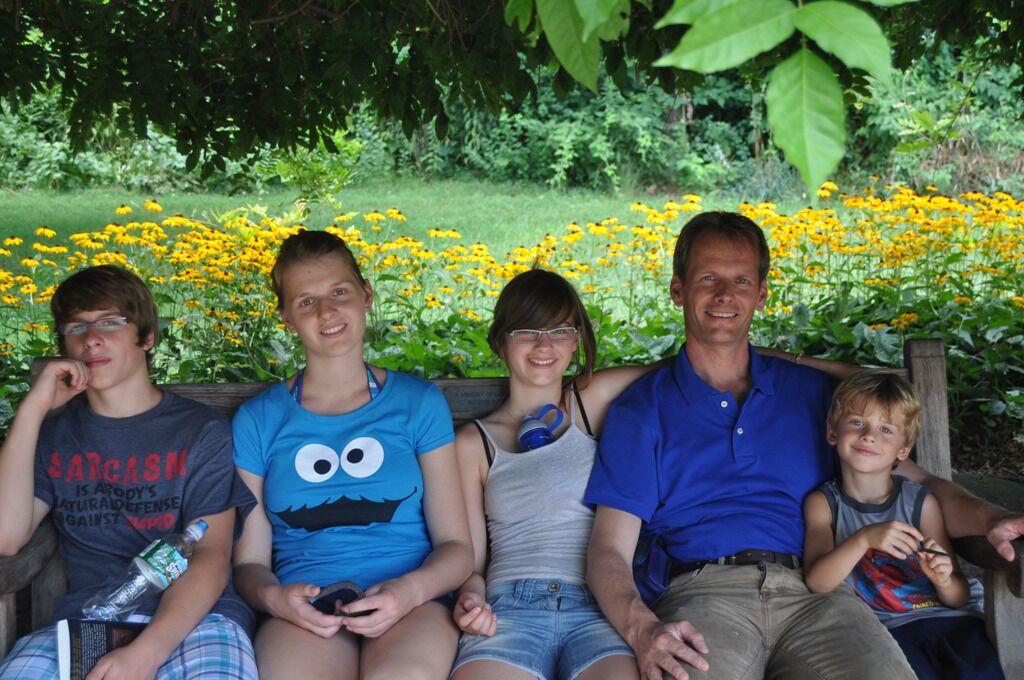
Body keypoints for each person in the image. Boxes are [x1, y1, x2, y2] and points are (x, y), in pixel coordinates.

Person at [584, 211, 1024, 680]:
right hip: (703, 596)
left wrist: (990, 519)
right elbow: (609, 549)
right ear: (678, 289)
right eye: (708, 277)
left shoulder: (812, 394)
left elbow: (917, 483)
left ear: (761, 294)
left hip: (819, 592)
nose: (725, 294)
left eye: (741, 280)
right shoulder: (643, 409)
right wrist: (642, 628)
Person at [449, 268, 845, 680]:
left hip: (600, 607)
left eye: (560, 331)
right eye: (526, 332)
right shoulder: (474, 443)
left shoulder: (590, 403)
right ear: (500, 339)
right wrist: (471, 599)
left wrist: (794, 360)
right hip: (510, 607)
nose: (544, 345)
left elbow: (711, 358)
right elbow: (471, 562)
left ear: (577, 340)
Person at [231, 230, 472, 680]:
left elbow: (457, 548)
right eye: (306, 301)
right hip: (306, 609)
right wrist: (276, 599)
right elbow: (249, 564)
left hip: (410, 602)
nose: (326, 312)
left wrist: (408, 591)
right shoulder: (259, 420)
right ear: (287, 318)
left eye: (339, 292)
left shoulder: (418, 404)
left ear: (366, 295)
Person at [0, 265, 257, 680]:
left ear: (147, 336)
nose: (91, 338)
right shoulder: (54, 437)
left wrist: (146, 654)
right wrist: (33, 409)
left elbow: (211, 554)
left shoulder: (199, 431)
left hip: (196, 621)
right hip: (87, 621)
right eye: (76, 327)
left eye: (110, 322)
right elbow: (5, 537)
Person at [804, 370, 1004, 680]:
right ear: (832, 432)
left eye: (886, 429)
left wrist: (942, 579)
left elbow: (959, 596)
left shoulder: (920, 502)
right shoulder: (824, 503)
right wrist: (864, 539)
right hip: (883, 631)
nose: (869, 435)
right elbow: (817, 582)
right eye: (857, 422)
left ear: (903, 450)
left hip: (951, 621)